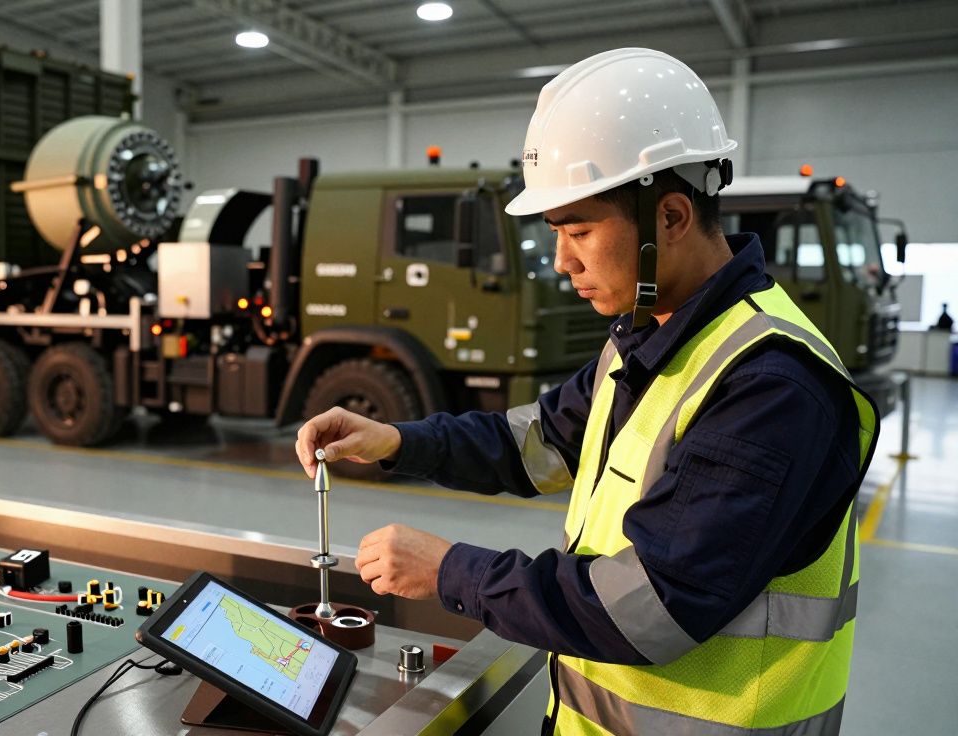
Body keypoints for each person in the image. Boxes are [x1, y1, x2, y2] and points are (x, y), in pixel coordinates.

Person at [296, 48, 879, 735]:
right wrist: (397, 441)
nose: (562, 260)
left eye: (579, 231)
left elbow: (651, 607)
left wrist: (451, 570)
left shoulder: (770, 385)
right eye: (555, 233)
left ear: (670, 217)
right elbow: (535, 442)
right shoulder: (650, 338)